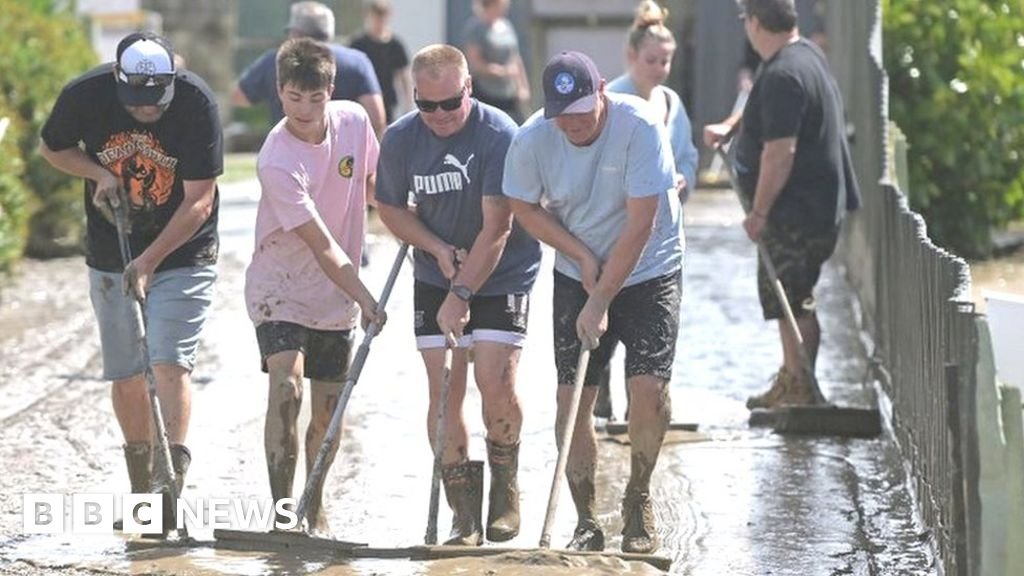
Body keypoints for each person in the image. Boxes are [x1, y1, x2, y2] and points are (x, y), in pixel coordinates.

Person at [39, 31, 223, 536]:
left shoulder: (195, 102)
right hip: (110, 248)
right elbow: (52, 147)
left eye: (155, 100)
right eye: (136, 101)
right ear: (118, 80)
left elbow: (200, 200)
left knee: (168, 361)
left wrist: (149, 260)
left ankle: (169, 496)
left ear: (170, 81)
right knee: (125, 375)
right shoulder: (84, 94)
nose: (146, 110)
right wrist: (98, 174)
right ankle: (142, 495)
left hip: (184, 249)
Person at [503, 51, 683, 554]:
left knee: (647, 389)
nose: (574, 123)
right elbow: (522, 206)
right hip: (575, 268)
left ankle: (638, 494)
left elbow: (641, 223)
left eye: (583, 110)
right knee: (571, 400)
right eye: (563, 114)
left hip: (650, 265)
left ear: (602, 88)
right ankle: (585, 519)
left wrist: (601, 298)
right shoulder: (532, 139)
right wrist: (579, 255)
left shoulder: (640, 127)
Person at [375, 44, 541, 546]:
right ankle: (463, 513)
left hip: (503, 268)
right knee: (445, 389)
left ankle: (505, 490)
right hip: (434, 270)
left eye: (451, 103)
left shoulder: (498, 135)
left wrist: (464, 290)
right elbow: (389, 208)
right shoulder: (401, 139)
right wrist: (436, 248)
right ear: (414, 98)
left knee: (494, 378)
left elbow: (499, 228)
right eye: (428, 106)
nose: (440, 116)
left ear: (469, 88)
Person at [244, 37, 385, 536]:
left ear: (330, 89)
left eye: (315, 98)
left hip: (335, 297)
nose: (304, 110)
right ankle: (284, 515)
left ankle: (315, 505)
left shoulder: (354, 122)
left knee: (328, 410)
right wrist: (368, 298)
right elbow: (323, 246)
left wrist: (408, 217)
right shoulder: (276, 160)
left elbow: (374, 185)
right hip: (280, 286)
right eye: (292, 98)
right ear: (279, 92)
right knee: (288, 386)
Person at [703, 0, 860, 409]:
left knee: (794, 297)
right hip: (816, 206)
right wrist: (731, 126)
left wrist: (759, 212)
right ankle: (793, 379)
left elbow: (780, 151)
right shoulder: (802, 55)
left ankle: (802, 385)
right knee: (790, 296)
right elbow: (764, 104)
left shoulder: (785, 73)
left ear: (754, 22)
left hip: (796, 212)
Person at [597, 0, 699, 421]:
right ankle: (599, 396)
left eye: (667, 61)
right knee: (607, 317)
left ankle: (638, 408)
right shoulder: (612, 100)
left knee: (647, 327)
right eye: (652, 60)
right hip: (612, 229)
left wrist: (683, 181)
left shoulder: (672, 103)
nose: (660, 68)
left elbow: (688, 155)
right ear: (631, 57)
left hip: (660, 237)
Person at [232, 1, 387, 139]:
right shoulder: (357, 62)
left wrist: (276, 92)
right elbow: (376, 117)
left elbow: (239, 97)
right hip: (342, 157)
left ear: (295, 33)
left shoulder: (275, 60)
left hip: (287, 152)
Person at [461, 0, 530, 124]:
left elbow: (515, 57)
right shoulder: (476, 27)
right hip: (485, 91)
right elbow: (475, 63)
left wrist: (522, 86)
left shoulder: (507, 25)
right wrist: (502, 72)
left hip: (508, 92)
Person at [350, 0, 413, 124]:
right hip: (362, 100)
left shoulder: (395, 45)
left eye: (382, 18)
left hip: (387, 101)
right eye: (375, 18)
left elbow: (404, 76)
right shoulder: (358, 44)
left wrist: (408, 104)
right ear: (368, 17)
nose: (378, 22)